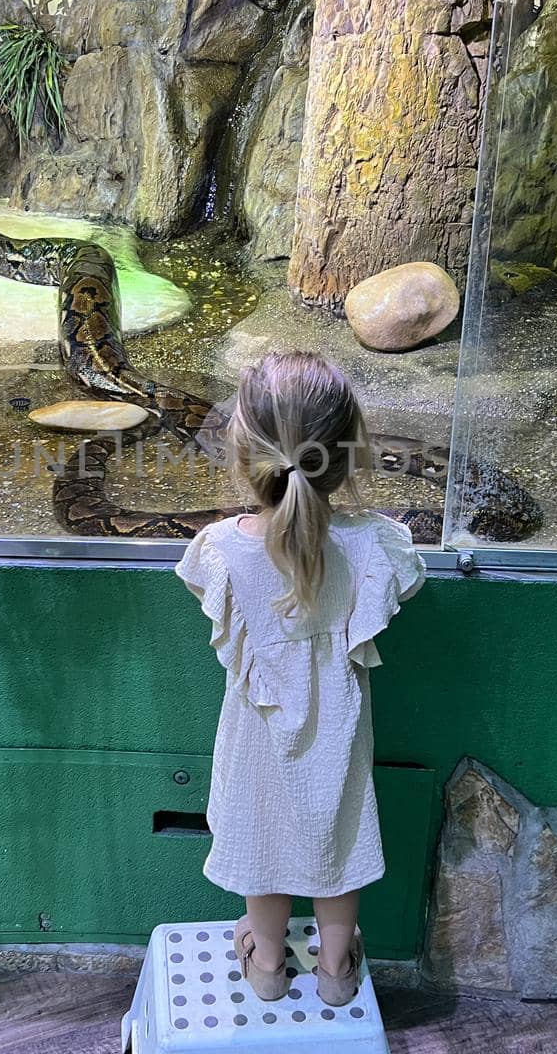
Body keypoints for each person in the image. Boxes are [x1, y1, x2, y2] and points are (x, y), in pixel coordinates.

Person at [174, 350, 427, 1007]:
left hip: (255, 733)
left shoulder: (219, 549)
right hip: (338, 729)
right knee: (337, 831)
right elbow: (410, 573)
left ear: (243, 452)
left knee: (261, 833)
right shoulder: (376, 545)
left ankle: (264, 962)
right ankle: (338, 967)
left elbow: (220, 581)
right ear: (348, 455)